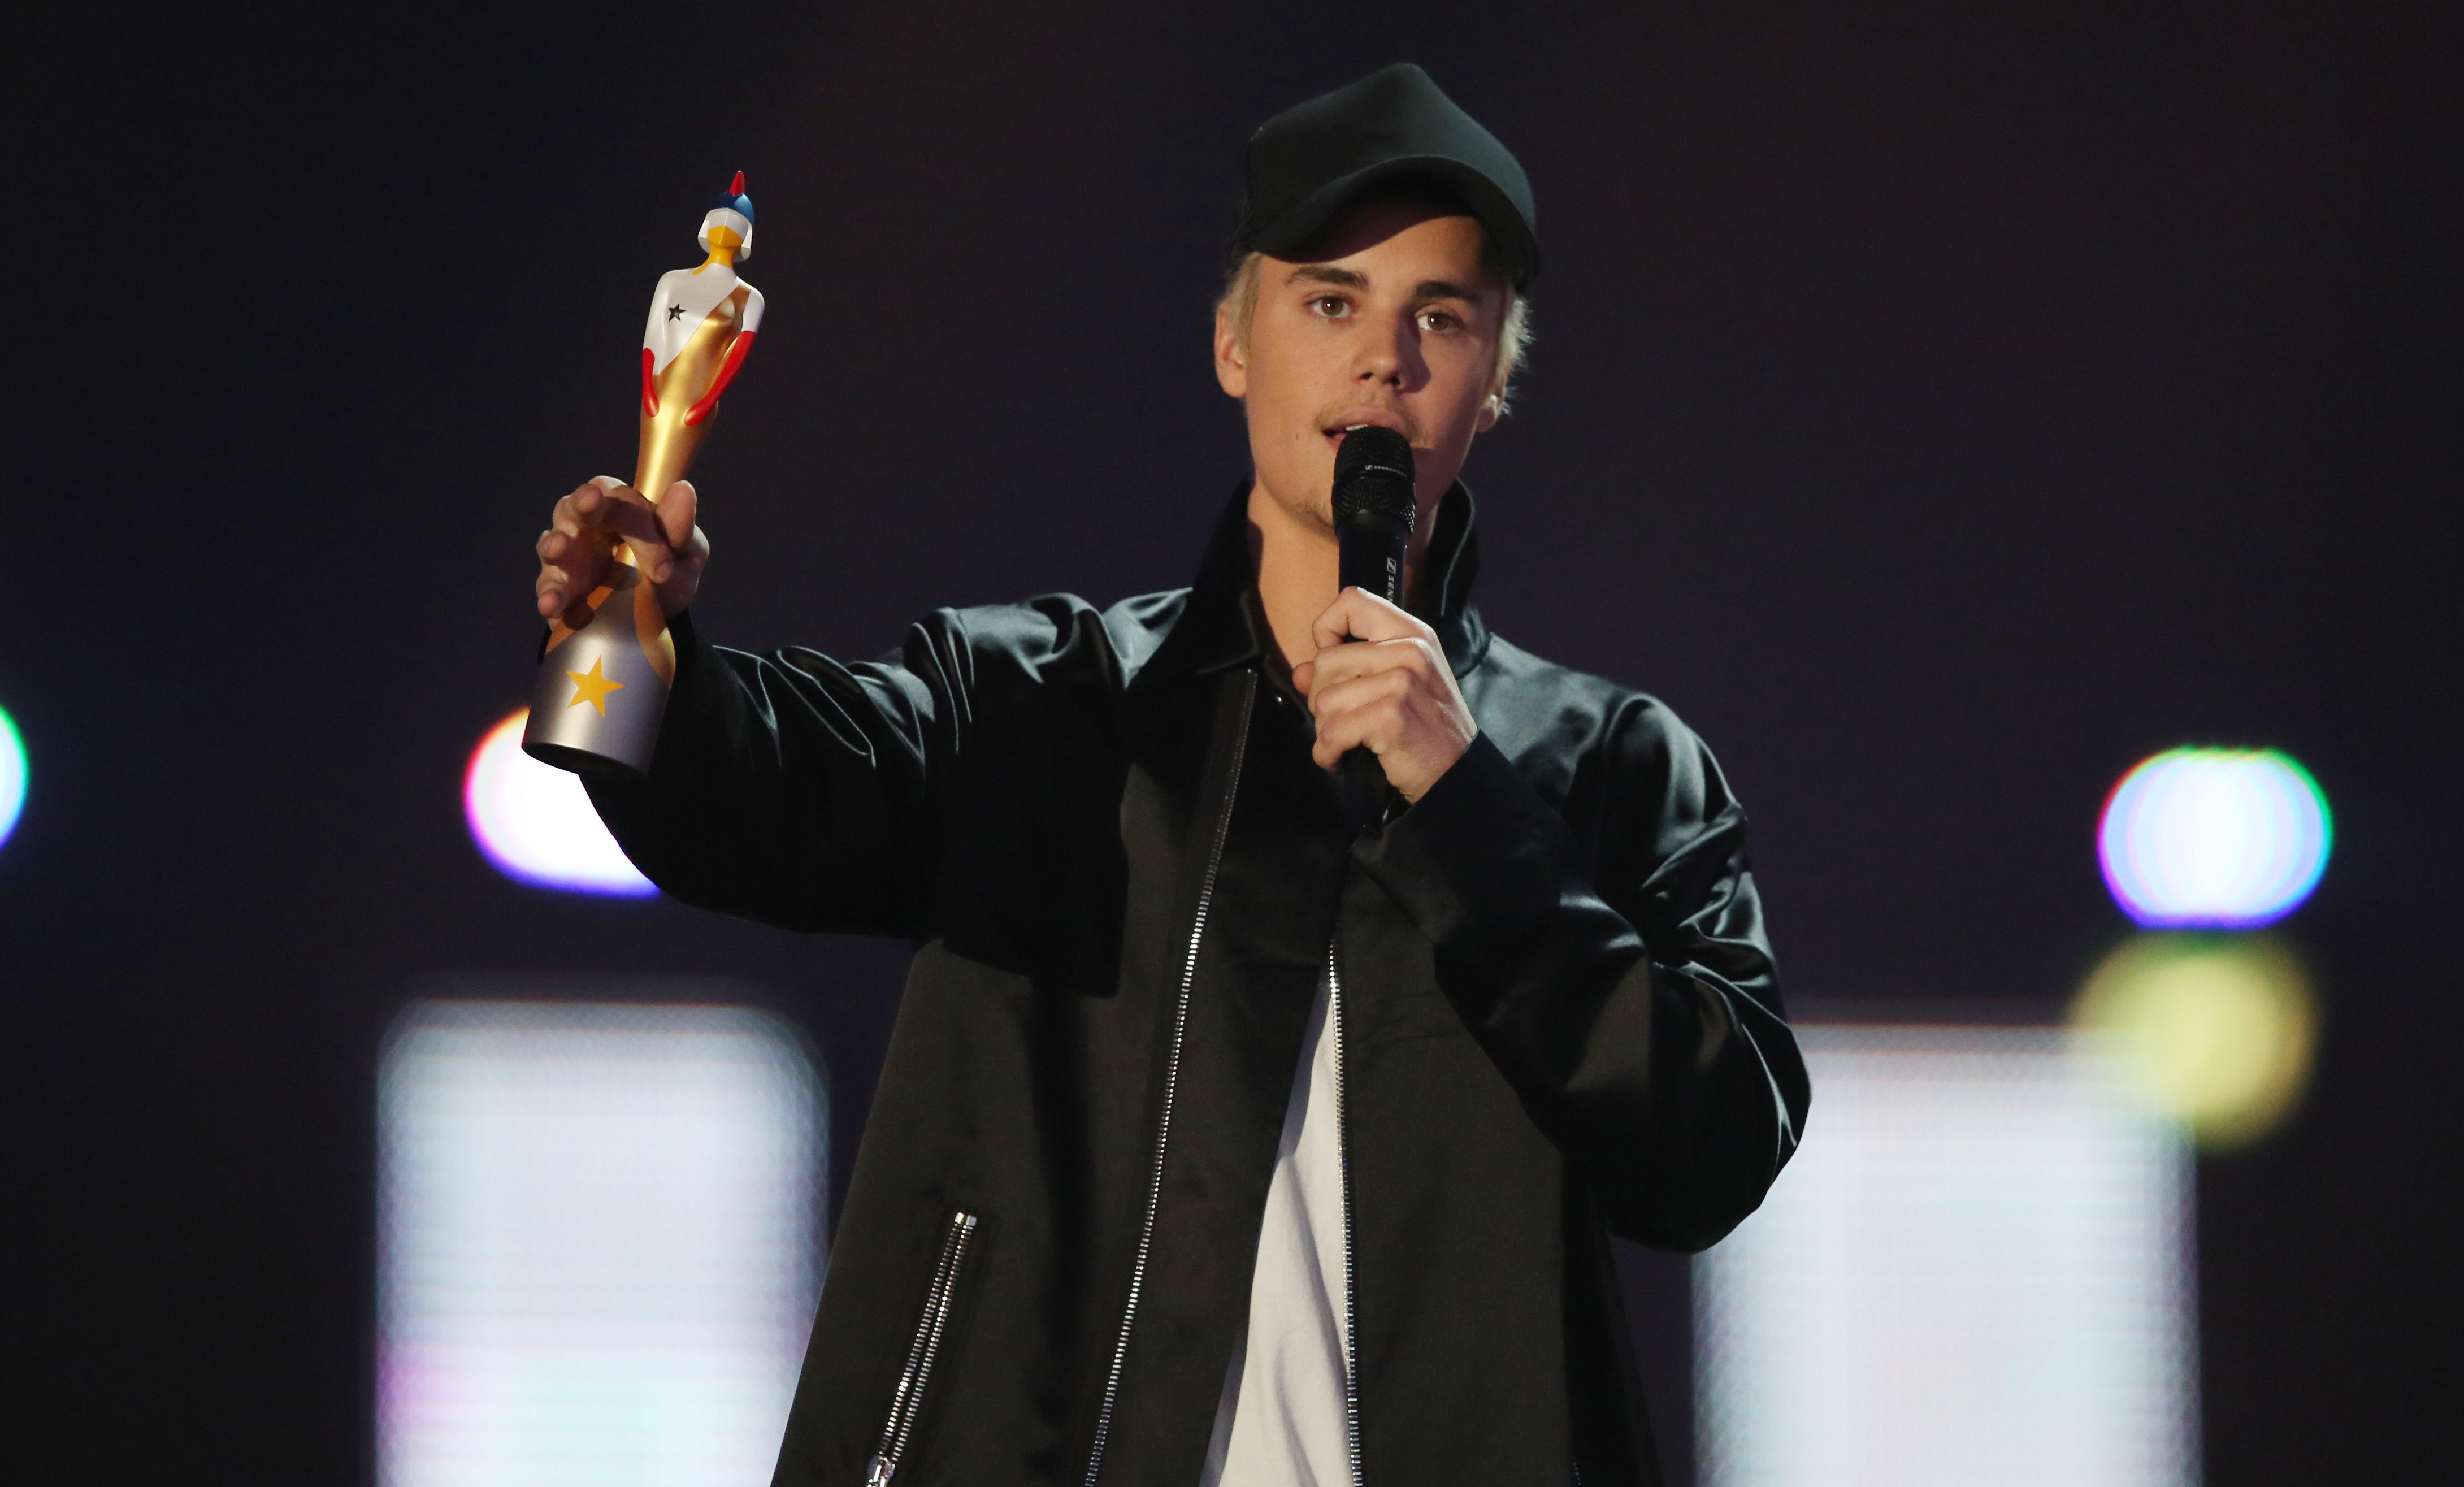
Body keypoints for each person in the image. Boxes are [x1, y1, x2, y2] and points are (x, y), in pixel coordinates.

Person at [531, 63, 1808, 1487]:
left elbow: (1714, 1148)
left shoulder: (1611, 765)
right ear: (1232, 344)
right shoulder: (1046, 701)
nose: (1383, 359)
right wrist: (624, 647)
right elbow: (758, 795)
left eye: (1440, 317)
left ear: (1493, 383)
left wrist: (1466, 807)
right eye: (1329, 301)